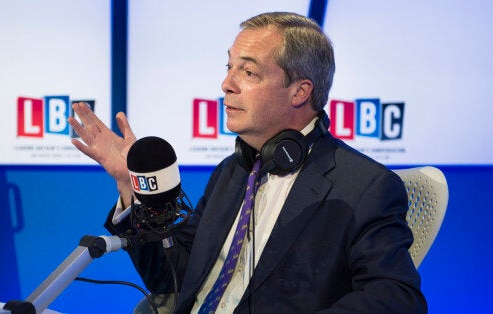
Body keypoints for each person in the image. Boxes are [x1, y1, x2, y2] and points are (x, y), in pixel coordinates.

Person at [68, 11, 427, 314]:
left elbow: (398, 298)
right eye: (229, 67)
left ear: (300, 92)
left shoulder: (364, 186)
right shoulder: (233, 169)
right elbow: (172, 278)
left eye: (249, 72)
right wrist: (134, 188)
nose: (226, 83)